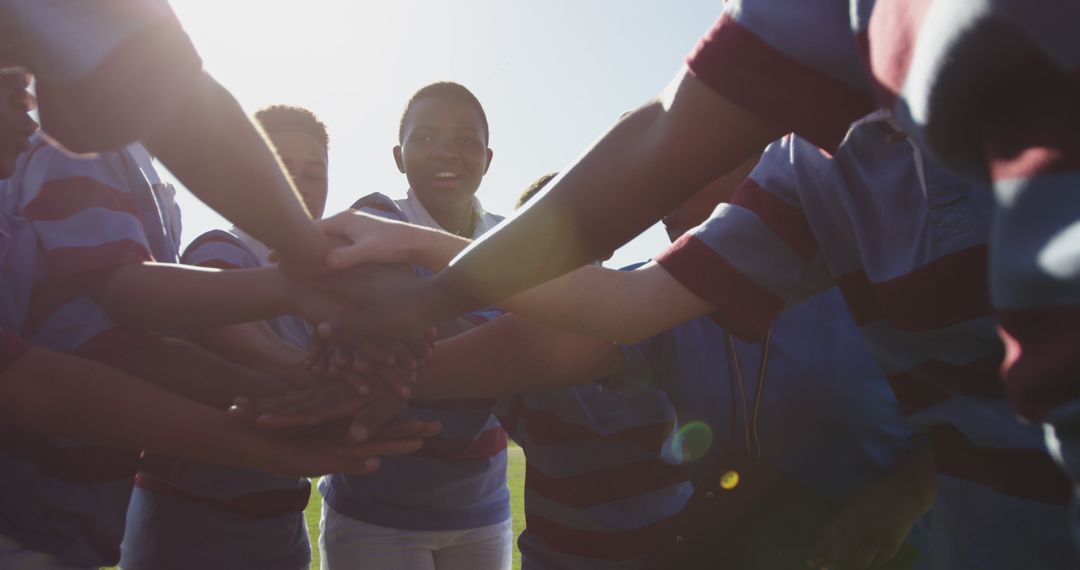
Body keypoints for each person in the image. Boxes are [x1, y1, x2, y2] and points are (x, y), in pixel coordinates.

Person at [261, 162, 936, 569]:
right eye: (662, 190)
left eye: (696, 173)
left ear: (769, 161)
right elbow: (549, 339)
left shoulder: (876, 262)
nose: (671, 208)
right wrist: (388, 378)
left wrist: (906, 493)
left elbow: (995, 401)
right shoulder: (661, 295)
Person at [0, 121, 430, 567]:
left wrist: (308, 402)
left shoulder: (147, 179)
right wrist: (303, 391)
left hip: (80, 517)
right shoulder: (79, 142)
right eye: (280, 168)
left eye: (313, 171)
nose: (24, 101)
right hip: (135, 521)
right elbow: (120, 320)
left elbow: (129, 347)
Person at [120, 105, 333, 570]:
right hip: (188, 525)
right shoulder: (221, 245)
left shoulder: (325, 274)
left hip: (280, 526)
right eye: (281, 168)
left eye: (314, 173)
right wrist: (314, 385)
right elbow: (225, 328)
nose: (299, 184)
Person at [319, 82, 513, 570]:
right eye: (425, 138)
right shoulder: (376, 217)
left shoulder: (512, 235)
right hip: (376, 512)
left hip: (483, 508)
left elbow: (421, 325)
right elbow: (513, 347)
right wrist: (503, 342)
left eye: (467, 140)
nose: (446, 151)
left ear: (488, 159)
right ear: (398, 157)